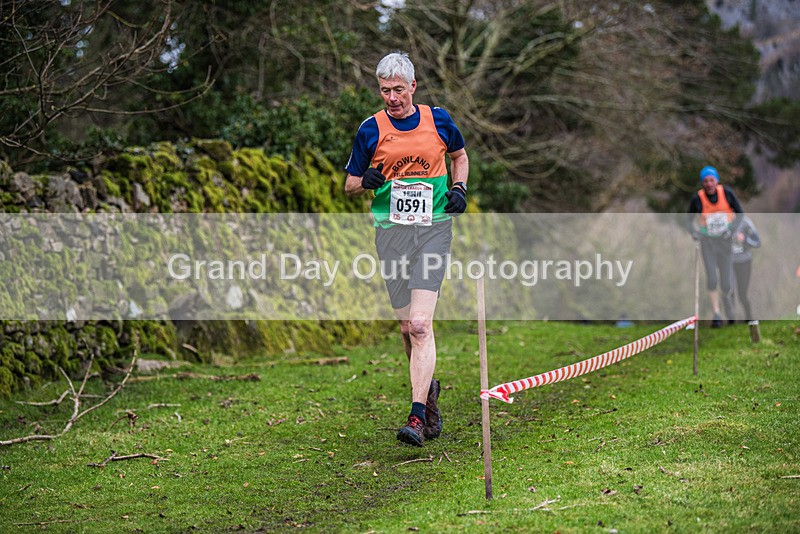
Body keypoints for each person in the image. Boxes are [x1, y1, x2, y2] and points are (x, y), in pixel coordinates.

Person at [344, 52, 469, 447]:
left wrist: (459, 188)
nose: (392, 97)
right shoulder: (371, 129)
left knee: (419, 324)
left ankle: (415, 417)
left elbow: (459, 156)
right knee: (405, 328)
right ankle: (428, 394)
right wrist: (366, 179)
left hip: (433, 230)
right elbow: (348, 183)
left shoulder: (439, 120)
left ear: (413, 86)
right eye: (385, 90)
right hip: (391, 234)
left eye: (399, 89)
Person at [686, 165, 744, 327]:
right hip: (708, 243)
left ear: (716, 180)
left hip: (725, 242)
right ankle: (716, 314)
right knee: (712, 278)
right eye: (705, 181)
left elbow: (740, 214)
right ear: (702, 183)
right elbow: (688, 220)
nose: (709, 183)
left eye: (711, 180)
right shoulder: (697, 199)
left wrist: (732, 230)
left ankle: (729, 307)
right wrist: (694, 233)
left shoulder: (727, 194)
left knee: (726, 282)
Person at [731, 215, 761, 324]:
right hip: (728, 262)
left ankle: (749, 318)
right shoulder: (723, 222)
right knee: (729, 291)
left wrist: (744, 240)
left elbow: (757, 242)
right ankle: (731, 320)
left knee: (742, 293)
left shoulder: (745, 222)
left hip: (744, 262)